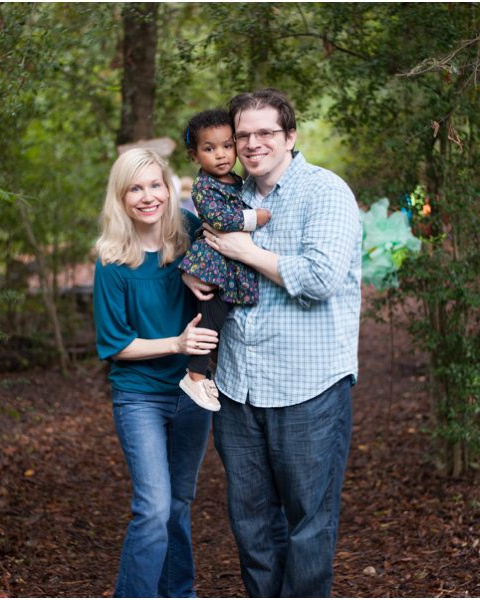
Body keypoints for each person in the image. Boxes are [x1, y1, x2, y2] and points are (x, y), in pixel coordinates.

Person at [183, 88, 362, 597]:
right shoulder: (231, 196)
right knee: (252, 524)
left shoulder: (324, 192)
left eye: (265, 133)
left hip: (309, 388)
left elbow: (322, 277)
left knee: (309, 523)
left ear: (290, 136)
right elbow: (205, 249)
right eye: (243, 135)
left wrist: (249, 251)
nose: (253, 143)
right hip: (238, 390)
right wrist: (191, 275)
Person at [93, 147, 219, 598]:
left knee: (178, 505)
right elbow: (115, 344)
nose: (148, 196)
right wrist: (177, 344)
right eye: (135, 188)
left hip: (193, 392)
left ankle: (178, 593)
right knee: (153, 507)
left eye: (155, 185)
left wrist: (192, 269)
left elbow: (227, 265)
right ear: (121, 197)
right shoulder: (112, 259)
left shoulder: (189, 233)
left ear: (169, 188)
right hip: (140, 396)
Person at [178, 109, 271, 411]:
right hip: (213, 265)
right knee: (211, 319)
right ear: (195, 155)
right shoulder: (204, 186)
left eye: (227, 146)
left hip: (226, 262)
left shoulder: (236, 179)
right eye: (209, 148)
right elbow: (217, 218)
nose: (221, 155)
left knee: (221, 319)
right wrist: (252, 218)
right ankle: (194, 376)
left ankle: (210, 370)